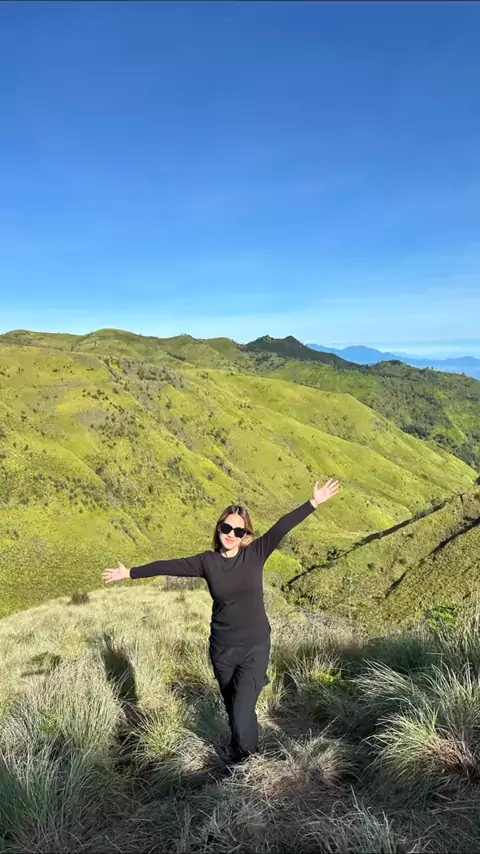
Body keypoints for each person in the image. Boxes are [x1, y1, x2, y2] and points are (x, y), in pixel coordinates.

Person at [103, 478, 340, 764]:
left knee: (241, 710)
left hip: (254, 647)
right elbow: (170, 565)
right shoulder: (208, 562)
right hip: (222, 649)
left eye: (238, 530)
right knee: (232, 708)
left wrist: (313, 502)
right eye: (226, 528)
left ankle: (250, 765)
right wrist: (130, 572)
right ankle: (238, 751)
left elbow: (281, 527)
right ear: (219, 529)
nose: (231, 534)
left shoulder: (255, 554)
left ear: (245, 535)